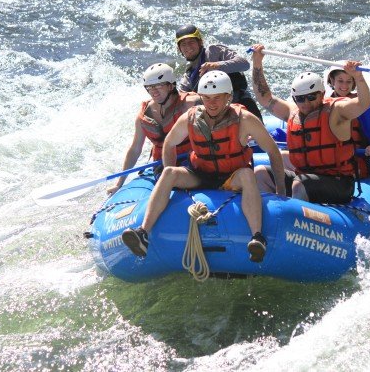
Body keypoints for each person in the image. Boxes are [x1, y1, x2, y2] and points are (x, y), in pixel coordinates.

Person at [121, 71, 286, 263]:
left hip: (232, 176)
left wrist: (280, 190)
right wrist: (170, 170)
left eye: (217, 98)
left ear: (228, 97)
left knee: (248, 175)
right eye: (206, 98)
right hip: (201, 173)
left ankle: (257, 237)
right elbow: (169, 143)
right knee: (169, 172)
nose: (211, 103)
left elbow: (273, 152)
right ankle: (143, 233)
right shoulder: (190, 118)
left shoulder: (245, 119)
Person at [250, 43, 370, 204]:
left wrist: (358, 78)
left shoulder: (337, 111)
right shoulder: (292, 112)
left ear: (322, 94)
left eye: (311, 97)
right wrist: (257, 62)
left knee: (300, 183)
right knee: (260, 173)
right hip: (304, 177)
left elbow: (363, 103)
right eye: (300, 98)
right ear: (294, 98)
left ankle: (295, 221)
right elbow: (264, 97)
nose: (306, 103)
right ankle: (271, 218)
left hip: (338, 182)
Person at [107, 63, 200, 195]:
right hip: (161, 164)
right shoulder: (144, 115)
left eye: (159, 85)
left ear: (171, 85)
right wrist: (119, 183)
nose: (154, 91)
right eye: (150, 87)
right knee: (169, 176)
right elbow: (135, 149)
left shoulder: (191, 103)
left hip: (191, 159)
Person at [174, 24, 263, 121]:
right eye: (183, 44)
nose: (188, 47)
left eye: (191, 42)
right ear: (180, 49)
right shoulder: (188, 76)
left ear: (200, 42)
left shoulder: (214, 51)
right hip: (216, 114)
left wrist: (217, 65)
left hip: (241, 103)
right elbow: (181, 99)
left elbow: (244, 64)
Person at [325, 66, 370, 178]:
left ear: (354, 83)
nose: (344, 86)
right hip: (327, 164)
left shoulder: (363, 107)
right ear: (332, 81)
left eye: (348, 81)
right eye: (340, 81)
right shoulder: (323, 106)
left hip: (355, 166)